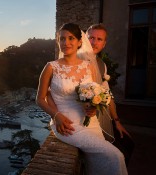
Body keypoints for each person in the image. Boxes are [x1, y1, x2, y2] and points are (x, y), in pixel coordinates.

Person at [36, 22, 128, 174]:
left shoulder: (88, 66)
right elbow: (40, 98)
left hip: (91, 122)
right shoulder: (51, 67)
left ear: (79, 42)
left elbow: (91, 94)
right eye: (62, 39)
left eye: (71, 38)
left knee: (97, 161)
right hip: (67, 125)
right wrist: (56, 116)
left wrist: (92, 107)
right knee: (116, 155)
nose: (66, 43)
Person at [86, 23, 134, 165]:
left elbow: (108, 95)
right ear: (85, 39)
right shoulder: (77, 61)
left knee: (128, 143)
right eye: (91, 38)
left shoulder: (102, 64)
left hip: (103, 117)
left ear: (104, 44)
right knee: (116, 155)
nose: (94, 42)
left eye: (99, 39)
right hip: (86, 119)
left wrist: (117, 121)